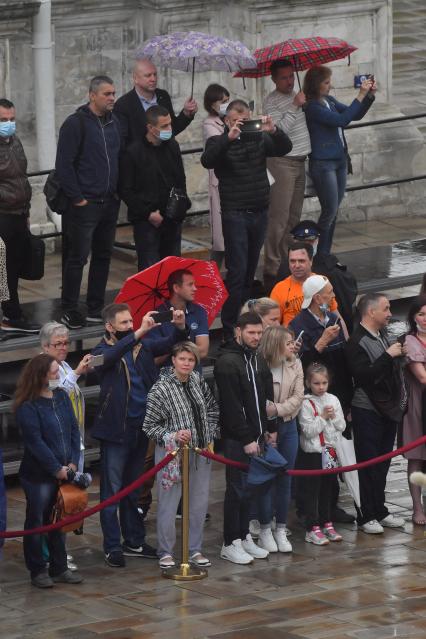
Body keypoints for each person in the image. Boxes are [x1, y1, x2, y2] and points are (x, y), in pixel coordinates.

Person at [90, 303, 188, 568]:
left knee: (134, 489)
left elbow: (171, 343)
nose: (130, 327)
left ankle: (133, 539)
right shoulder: (100, 351)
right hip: (115, 431)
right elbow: (105, 361)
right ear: (109, 327)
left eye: (130, 322)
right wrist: (138, 334)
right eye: (123, 324)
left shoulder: (141, 346)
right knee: (111, 492)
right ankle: (112, 545)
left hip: (141, 427)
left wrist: (180, 326)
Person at [201, 100, 292, 340]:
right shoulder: (218, 141)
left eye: (245, 119)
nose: (241, 124)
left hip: (259, 211)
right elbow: (208, 160)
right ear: (227, 120)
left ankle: (246, 317)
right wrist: (228, 138)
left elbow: (284, 147)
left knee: (251, 269)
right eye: (236, 120)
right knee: (237, 271)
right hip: (235, 213)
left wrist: (273, 130)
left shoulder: (258, 138)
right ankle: (231, 325)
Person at [143, 342, 219, 569]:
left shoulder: (197, 380)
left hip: (200, 451)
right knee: (168, 503)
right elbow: (149, 426)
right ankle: (165, 551)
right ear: (174, 360)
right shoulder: (161, 388)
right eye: (182, 359)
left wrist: (209, 432)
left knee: (198, 503)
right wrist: (173, 435)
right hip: (172, 454)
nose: (187, 363)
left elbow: (212, 408)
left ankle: (195, 549)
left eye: (191, 360)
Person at [55, 76, 122, 330]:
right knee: (78, 257)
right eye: (107, 93)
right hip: (86, 203)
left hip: (109, 202)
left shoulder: (114, 124)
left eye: (113, 93)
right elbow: (64, 164)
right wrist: (78, 198)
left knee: (103, 255)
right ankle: (69, 307)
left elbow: (118, 158)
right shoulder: (76, 124)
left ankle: (95, 305)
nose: (112, 98)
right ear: (92, 95)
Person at [14, 354, 83, 588]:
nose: (58, 375)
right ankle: (37, 569)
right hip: (39, 475)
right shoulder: (28, 406)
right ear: (41, 375)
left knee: (59, 520)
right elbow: (35, 443)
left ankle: (59, 566)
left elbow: (74, 429)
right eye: (54, 371)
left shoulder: (62, 396)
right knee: (37, 521)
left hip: (65, 469)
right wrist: (56, 469)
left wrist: (73, 462)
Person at [214, 312, 276, 564]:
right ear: (238, 331)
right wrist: (246, 437)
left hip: (258, 434)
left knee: (249, 489)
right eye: (251, 333)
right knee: (236, 490)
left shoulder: (257, 358)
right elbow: (231, 405)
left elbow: (265, 397)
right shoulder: (228, 362)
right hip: (238, 438)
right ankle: (230, 542)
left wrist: (270, 428)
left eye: (259, 333)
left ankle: (243, 536)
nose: (256, 337)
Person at [345, 293, 406, 533]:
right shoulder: (356, 341)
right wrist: (388, 356)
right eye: (386, 309)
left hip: (386, 408)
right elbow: (363, 376)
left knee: (383, 461)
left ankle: (380, 509)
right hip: (366, 409)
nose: (390, 313)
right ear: (371, 312)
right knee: (367, 462)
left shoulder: (382, 335)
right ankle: (366, 514)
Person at [303, 66, 376, 255]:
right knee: (330, 210)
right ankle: (316, 252)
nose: (330, 85)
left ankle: (324, 253)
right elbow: (341, 120)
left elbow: (354, 115)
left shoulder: (328, 100)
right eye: (326, 82)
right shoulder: (312, 107)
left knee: (334, 211)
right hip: (323, 163)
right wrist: (359, 94)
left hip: (340, 160)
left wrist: (368, 96)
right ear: (315, 85)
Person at [119, 105, 190, 271]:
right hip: (147, 222)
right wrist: (148, 213)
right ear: (150, 128)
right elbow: (125, 190)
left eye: (170, 124)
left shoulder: (172, 146)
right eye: (164, 126)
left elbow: (180, 178)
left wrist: (182, 205)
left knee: (173, 270)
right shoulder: (133, 152)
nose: (169, 129)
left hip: (172, 219)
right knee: (151, 270)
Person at [262, 60, 311, 289]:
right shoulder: (272, 101)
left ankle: (290, 262)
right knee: (278, 218)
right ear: (274, 79)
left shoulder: (298, 95)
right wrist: (294, 106)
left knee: (293, 217)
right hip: (282, 162)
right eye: (284, 77)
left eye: (291, 76)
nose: (289, 81)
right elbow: (278, 132)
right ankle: (272, 267)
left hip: (301, 161)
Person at [256, 325, 304, 552]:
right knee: (266, 480)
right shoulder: (259, 365)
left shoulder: (295, 362)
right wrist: (269, 415)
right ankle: (265, 528)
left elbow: (298, 396)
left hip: (288, 425)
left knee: (285, 478)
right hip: (265, 429)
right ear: (276, 345)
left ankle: (281, 528)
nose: (292, 346)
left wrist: (276, 410)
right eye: (288, 343)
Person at [0, 98, 39, 333]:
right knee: (1, 268)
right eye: (3, 120)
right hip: (2, 214)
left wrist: (26, 211)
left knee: (12, 267)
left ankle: (12, 314)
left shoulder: (15, 142)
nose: (9, 124)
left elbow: (21, 177)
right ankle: (11, 313)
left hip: (18, 213)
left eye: (12, 119)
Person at [277, 219, 357, 331]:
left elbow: (338, 311)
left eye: (310, 242)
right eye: (294, 262)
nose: (297, 266)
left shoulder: (330, 267)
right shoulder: (284, 273)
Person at [298, 362, 346, 545]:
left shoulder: (333, 399)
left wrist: (333, 417)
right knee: (312, 490)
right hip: (313, 452)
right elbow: (308, 431)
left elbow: (341, 426)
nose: (321, 387)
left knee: (329, 486)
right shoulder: (305, 403)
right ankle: (312, 527)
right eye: (316, 383)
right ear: (308, 383)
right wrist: (322, 418)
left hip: (330, 450)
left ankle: (327, 522)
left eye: (324, 383)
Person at [40, 322, 93, 472]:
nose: (63, 347)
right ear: (45, 346)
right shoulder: (42, 367)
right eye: (58, 344)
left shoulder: (63, 364)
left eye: (66, 343)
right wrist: (77, 372)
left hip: (73, 433)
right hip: (58, 438)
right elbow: (56, 393)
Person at [114, 58, 197, 145]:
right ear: (135, 78)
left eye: (155, 74)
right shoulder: (123, 105)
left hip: (167, 154)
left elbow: (171, 130)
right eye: (148, 75)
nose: (153, 79)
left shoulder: (163, 96)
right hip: (141, 157)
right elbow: (123, 141)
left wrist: (186, 113)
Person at [271, 242, 338, 326]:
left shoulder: (322, 282)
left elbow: (337, 316)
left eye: (301, 261)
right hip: (293, 337)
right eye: (292, 261)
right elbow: (272, 324)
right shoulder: (279, 289)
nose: (297, 265)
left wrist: (347, 339)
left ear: (311, 261)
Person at [402, 296, 426, 525]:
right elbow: (422, 377)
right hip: (418, 405)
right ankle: (417, 508)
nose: (425, 319)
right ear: (413, 317)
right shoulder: (410, 341)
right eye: (421, 314)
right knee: (416, 456)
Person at [202, 83, 230, 268]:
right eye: (223, 102)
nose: (227, 105)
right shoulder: (209, 124)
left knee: (234, 237)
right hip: (219, 182)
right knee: (220, 240)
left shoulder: (232, 120)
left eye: (228, 101)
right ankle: (211, 277)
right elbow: (221, 145)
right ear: (213, 104)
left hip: (235, 181)